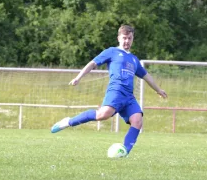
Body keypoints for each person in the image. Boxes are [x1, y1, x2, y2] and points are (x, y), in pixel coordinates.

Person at [50, 25, 168, 157]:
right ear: (118, 38)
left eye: (129, 38)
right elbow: (93, 63)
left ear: (132, 39)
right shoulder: (111, 52)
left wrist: (158, 89)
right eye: (124, 38)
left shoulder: (134, 59)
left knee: (137, 120)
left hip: (129, 96)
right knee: (103, 115)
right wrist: (78, 77)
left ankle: (124, 152)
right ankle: (68, 121)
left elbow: (146, 76)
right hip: (116, 91)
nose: (127, 41)